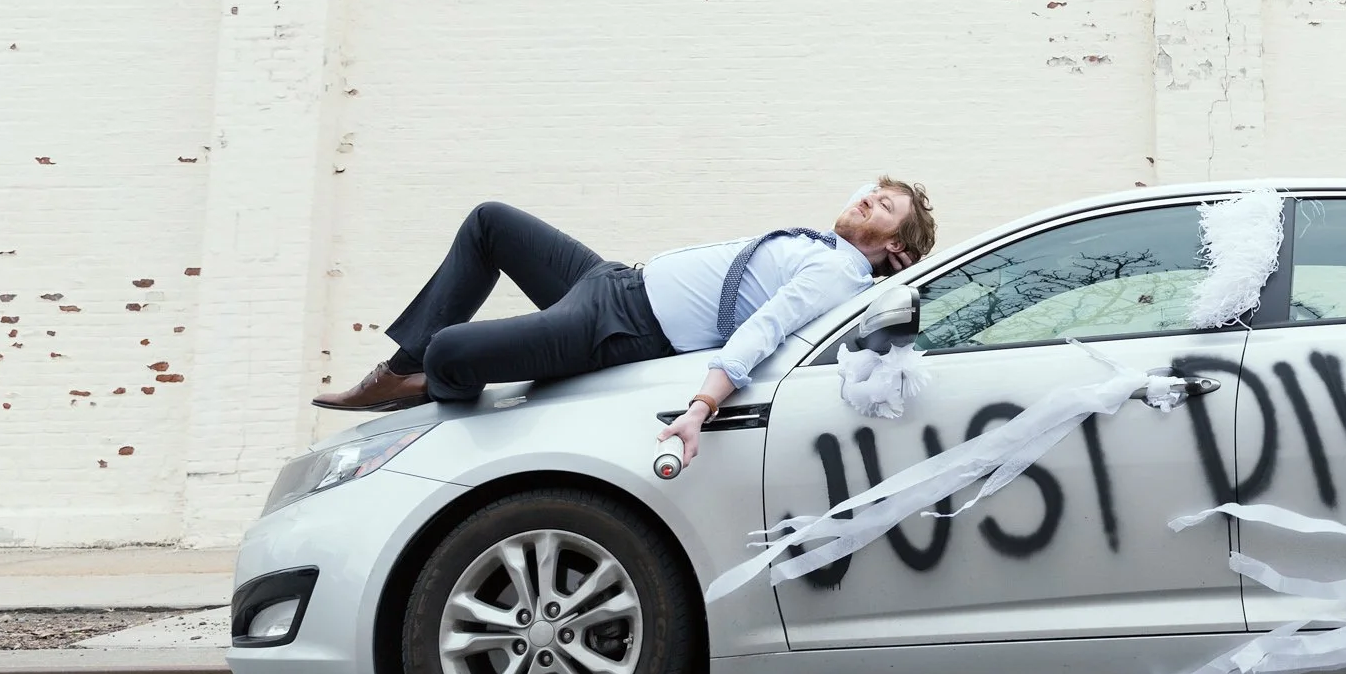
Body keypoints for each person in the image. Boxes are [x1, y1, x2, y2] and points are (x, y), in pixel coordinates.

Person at [311, 180, 938, 431]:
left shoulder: (838, 275)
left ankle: (430, 385)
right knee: (490, 222)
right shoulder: (827, 245)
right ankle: (397, 372)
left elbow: (765, 331)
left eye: (885, 208)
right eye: (873, 192)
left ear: (891, 246)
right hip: (610, 280)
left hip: (619, 327)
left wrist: (702, 405)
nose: (867, 200)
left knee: (451, 350)